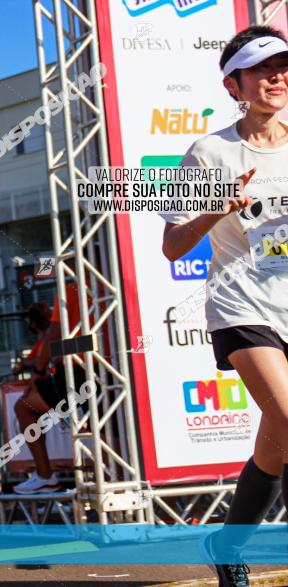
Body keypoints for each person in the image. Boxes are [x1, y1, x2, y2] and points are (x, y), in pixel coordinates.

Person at [160, 26, 288, 587]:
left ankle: (226, 541)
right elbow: (173, 245)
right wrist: (219, 205)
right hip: (241, 306)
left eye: (283, 66)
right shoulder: (209, 150)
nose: (277, 77)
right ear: (233, 83)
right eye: (262, 69)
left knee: (276, 439)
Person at [12, 291, 86, 495]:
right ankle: (111, 483)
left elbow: (54, 337)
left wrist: (36, 370)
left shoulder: (70, 286)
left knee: (24, 407)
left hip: (79, 368)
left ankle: (46, 476)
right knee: (108, 428)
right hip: (101, 363)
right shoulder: (105, 278)